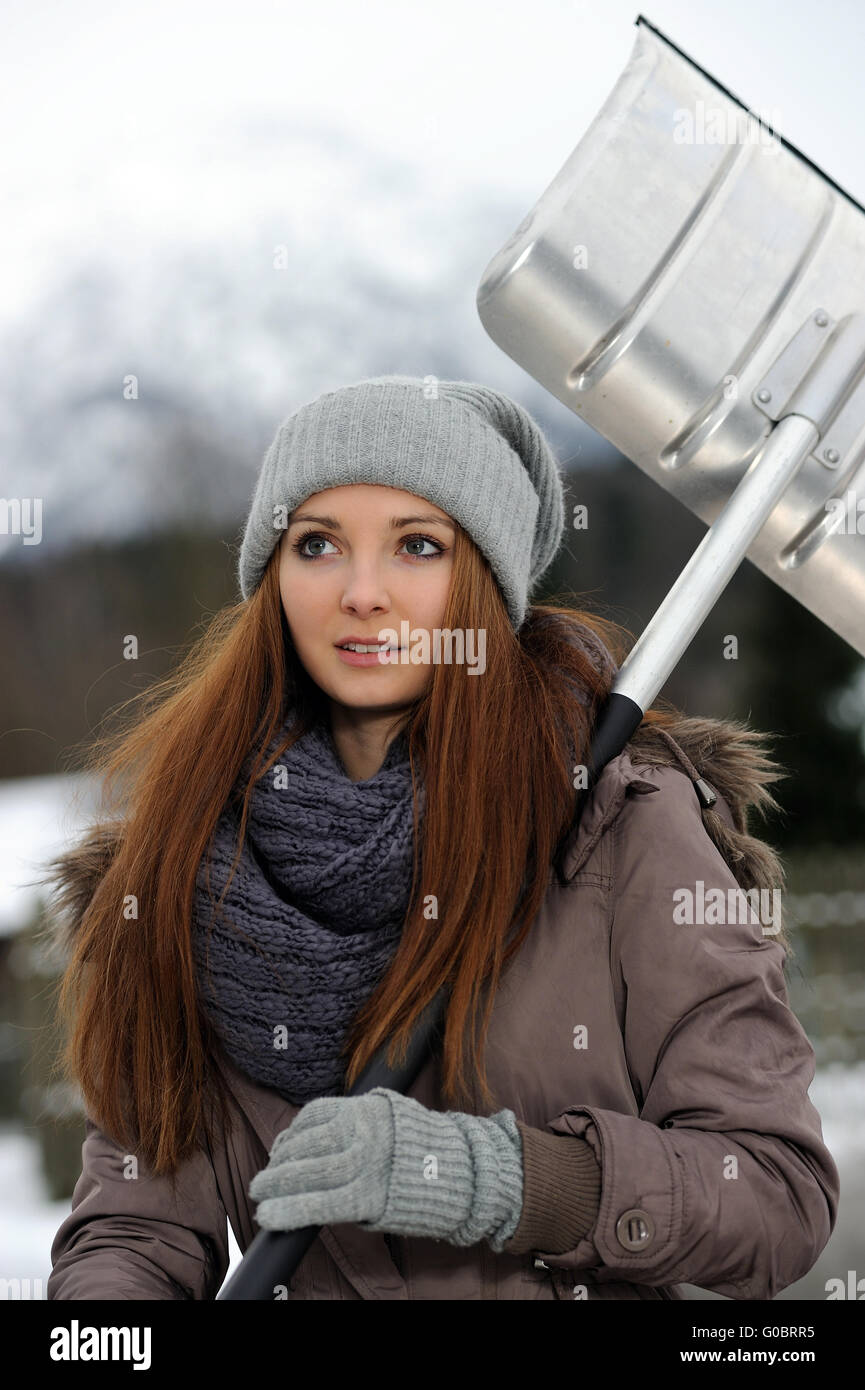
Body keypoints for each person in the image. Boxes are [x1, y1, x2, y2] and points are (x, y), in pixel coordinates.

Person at [43, 374, 838, 1301]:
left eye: (419, 546)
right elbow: (135, 1230)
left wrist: (507, 1180)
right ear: (271, 579)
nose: (363, 593)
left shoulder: (617, 827)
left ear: (484, 585)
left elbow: (777, 1198)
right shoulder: (183, 861)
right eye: (317, 545)